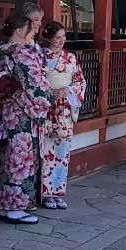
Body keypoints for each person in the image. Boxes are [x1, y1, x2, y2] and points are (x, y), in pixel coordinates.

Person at [0, 9, 51, 224]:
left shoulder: (3, 51)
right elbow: (37, 84)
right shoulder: (22, 53)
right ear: (22, 30)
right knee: (21, 159)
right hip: (22, 113)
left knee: (7, 158)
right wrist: (47, 100)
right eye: (31, 29)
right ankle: (16, 206)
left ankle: (4, 204)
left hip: (7, 110)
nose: (34, 33)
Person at [38, 21, 86, 209]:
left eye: (63, 37)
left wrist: (68, 91)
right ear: (48, 37)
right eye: (57, 38)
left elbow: (80, 82)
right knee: (46, 150)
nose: (61, 41)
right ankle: (45, 193)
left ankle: (58, 191)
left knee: (62, 151)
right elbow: (37, 81)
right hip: (47, 108)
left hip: (64, 109)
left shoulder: (71, 59)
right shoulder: (40, 57)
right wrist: (51, 93)